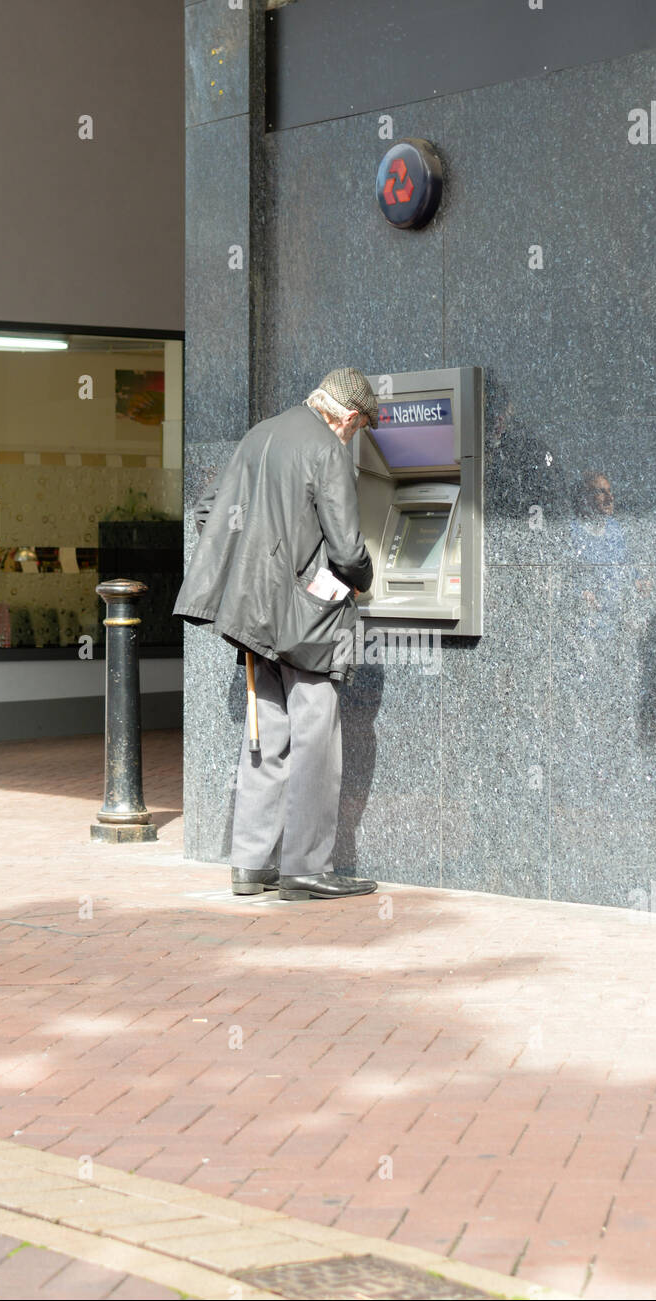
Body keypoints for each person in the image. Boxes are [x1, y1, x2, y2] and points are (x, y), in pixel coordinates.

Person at [174, 368, 380, 902]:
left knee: (265, 731)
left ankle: (250, 862)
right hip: (308, 618)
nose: (352, 438)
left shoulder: (259, 435)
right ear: (349, 417)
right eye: (357, 429)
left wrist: (256, 558)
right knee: (316, 735)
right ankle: (306, 868)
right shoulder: (327, 450)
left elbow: (206, 511)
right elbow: (346, 547)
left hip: (250, 612)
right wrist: (363, 579)